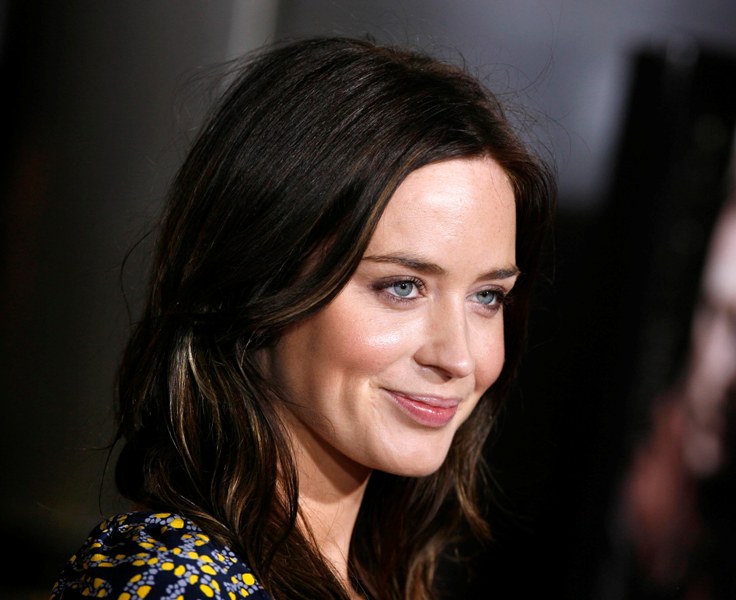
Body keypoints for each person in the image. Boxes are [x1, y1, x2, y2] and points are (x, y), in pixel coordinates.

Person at [49, 36, 554, 599]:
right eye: (402, 287)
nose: (458, 358)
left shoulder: (377, 578)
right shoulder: (171, 581)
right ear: (256, 279)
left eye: (487, 297)